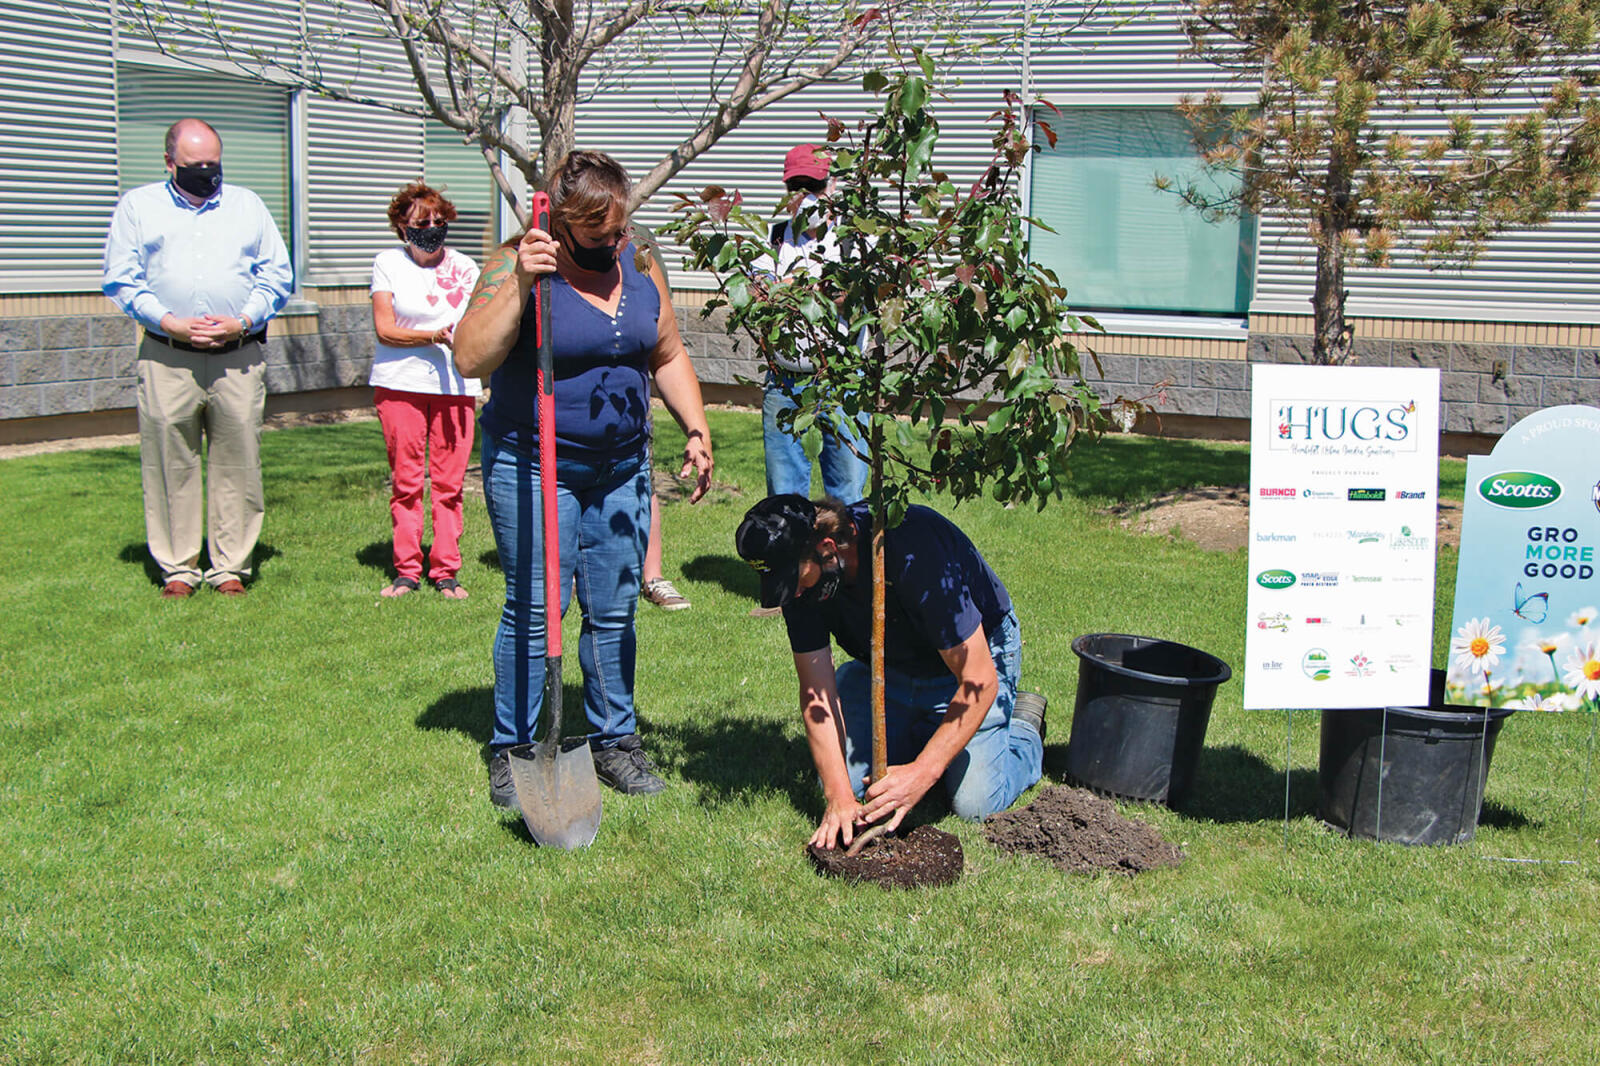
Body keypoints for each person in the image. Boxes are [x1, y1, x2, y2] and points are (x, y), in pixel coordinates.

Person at [454, 149, 714, 805]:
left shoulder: (641, 259)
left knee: (614, 607)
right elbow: (468, 355)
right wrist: (518, 284)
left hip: (622, 466)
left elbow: (668, 350)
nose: (614, 245)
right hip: (534, 461)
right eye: (598, 237)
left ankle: (614, 741)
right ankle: (515, 747)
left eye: (621, 232)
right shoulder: (518, 263)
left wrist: (696, 426)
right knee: (538, 608)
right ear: (563, 223)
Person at [734, 494, 1045, 850]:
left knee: (975, 804)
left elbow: (977, 680)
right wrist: (839, 799)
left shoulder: (914, 552)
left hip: (973, 665)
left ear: (828, 547)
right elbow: (816, 693)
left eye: (798, 578)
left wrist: (922, 772)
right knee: (844, 784)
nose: (797, 591)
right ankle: (921, 725)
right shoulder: (801, 586)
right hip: (888, 671)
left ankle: (1022, 727)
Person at [102, 117, 294, 598]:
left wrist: (244, 319)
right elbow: (122, 278)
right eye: (194, 166)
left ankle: (230, 566)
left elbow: (277, 274)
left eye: (214, 164)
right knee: (171, 463)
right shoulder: (138, 208)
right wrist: (168, 321)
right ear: (169, 163)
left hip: (238, 353)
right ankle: (179, 568)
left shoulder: (247, 205)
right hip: (167, 355)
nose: (206, 174)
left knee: (238, 461)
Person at [369, 182, 481, 599]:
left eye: (439, 221)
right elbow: (384, 328)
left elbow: (479, 320)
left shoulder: (467, 267)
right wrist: (433, 335)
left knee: (450, 484)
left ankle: (447, 570)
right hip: (400, 384)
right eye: (422, 222)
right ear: (403, 226)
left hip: (455, 385)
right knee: (407, 480)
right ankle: (406, 570)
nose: (432, 228)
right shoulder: (387, 264)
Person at [755, 144, 867, 504]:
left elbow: (862, 299)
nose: (805, 198)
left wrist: (791, 288)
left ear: (832, 186)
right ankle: (793, 562)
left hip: (843, 383)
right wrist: (819, 288)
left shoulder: (856, 242)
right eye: (796, 188)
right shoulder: (772, 240)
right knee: (784, 499)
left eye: (814, 187)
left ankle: (847, 561)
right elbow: (761, 301)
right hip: (785, 385)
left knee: (848, 494)